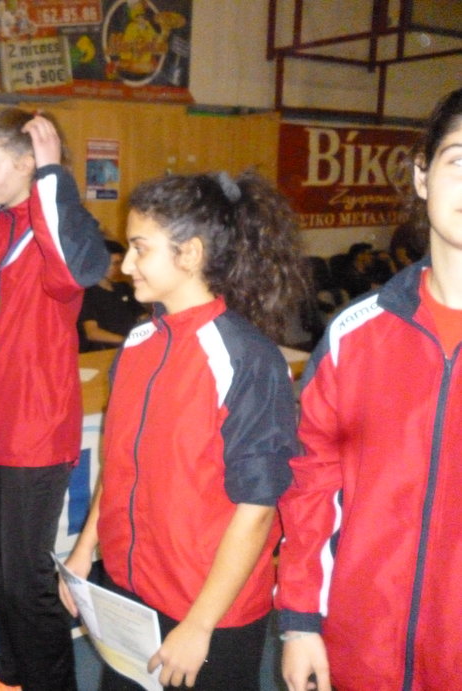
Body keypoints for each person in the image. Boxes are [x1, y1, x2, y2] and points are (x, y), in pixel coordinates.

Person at [60, 170, 306, 690]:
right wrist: (84, 553)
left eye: (139, 249)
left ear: (190, 254)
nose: (126, 265)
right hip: (130, 591)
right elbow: (120, 467)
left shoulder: (247, 359)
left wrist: (199, 625)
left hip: (206, 608)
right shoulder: (138, 345)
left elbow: (258, 509)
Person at [275, 88, 462, 691]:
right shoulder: (356, 335)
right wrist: (300, 622)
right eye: (459, 160)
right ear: (423, 177)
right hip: (360, 649)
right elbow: (312, 483)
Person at [0, 108, 109, 691]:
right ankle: (13, 676)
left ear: (29, 162)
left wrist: (55, 179)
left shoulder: (61, 231)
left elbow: (77, 272)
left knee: (27, 577)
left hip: (35, 432)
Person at [78, 239, 147, 351]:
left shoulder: (124, 288)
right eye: (114, 263)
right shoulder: (86, 293)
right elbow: (92, 332)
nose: (118, 268)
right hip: (103, 352)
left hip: (131, 348)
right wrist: (127, 341)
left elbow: (143, 316)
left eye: (119, 263)